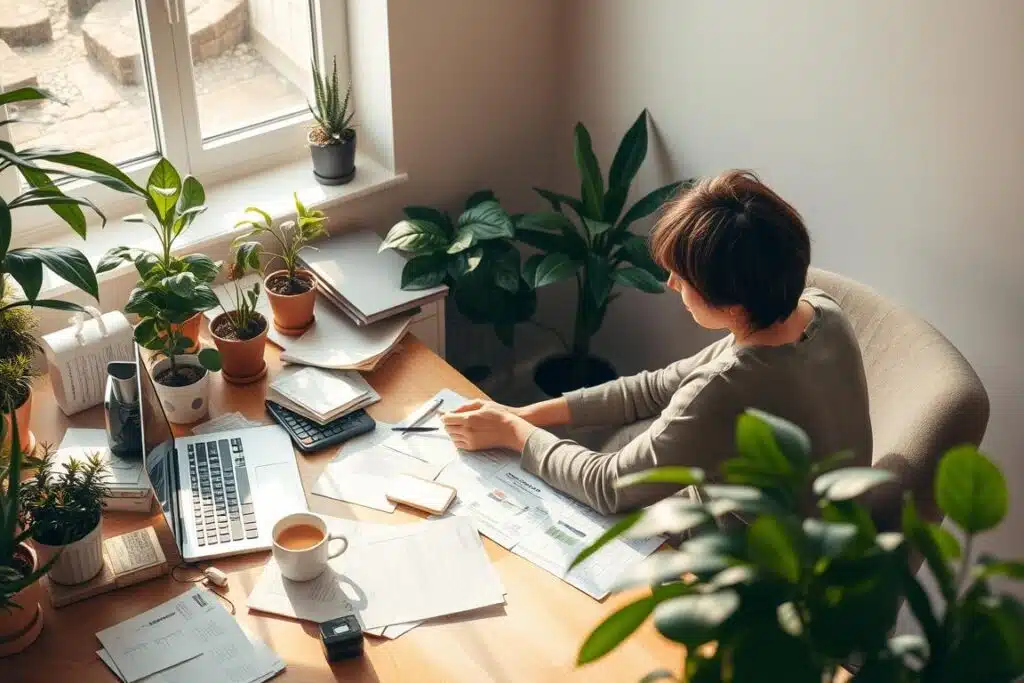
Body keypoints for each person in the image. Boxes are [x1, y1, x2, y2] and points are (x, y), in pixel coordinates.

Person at [442, 170, 872, 516]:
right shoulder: (819, 310)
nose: (670, 284)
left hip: (754, 572)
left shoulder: (726, 388)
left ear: (732, 300)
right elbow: (655, 387)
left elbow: (608, 486)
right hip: (824, 521)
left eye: (682, 279)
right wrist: (525, 414)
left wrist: (516, 434)